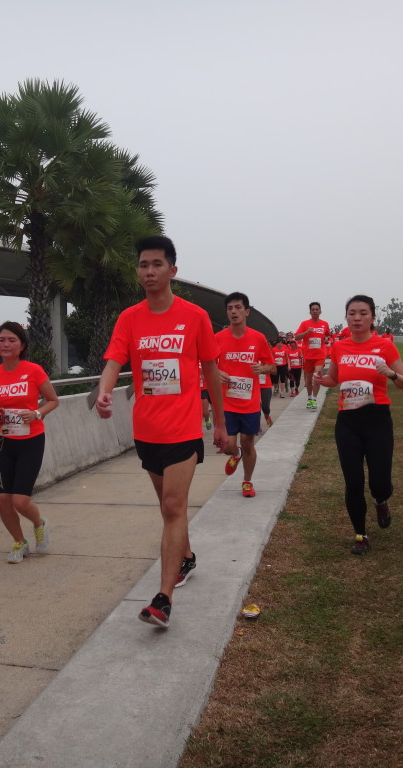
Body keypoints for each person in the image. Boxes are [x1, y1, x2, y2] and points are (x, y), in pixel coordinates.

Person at [95, 235, 227, 628]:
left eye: (156, 264)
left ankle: (162, 598)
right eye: (143, 265)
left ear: (173, 269)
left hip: (184, 428)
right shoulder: (130, 318)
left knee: (173, 507)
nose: (149, 272)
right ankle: (185, 556)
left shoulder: (195, 316)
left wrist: (219, 422)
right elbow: (114, 360)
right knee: (168, 507)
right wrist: (103, 393)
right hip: (147, 430)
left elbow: (212, 371)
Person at [317, 295, 403, 555]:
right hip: (348, 421)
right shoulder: (339, 347)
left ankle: (381, 500)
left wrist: (390, 374)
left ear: (372, 317)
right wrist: (321, 378)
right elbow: (333, 379)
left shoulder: (385, 347)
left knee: (380, 481)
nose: (357, 318)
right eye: (352, 313)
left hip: (377, 419)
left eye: (363, 313)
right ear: (346, 317)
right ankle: (360, 534)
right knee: (353, 480)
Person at [0, 321, 59, 563]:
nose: (6, 344)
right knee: (3, 499)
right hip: (3, 441)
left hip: (31, 440)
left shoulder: (33, 370)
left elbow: (53, 400)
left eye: (12, 340)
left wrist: (36, 413)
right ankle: (19, 542)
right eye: (2, 340)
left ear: (22, 345)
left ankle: (38, 522)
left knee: (20, 500)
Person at [216, 292, 275, 498]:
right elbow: (204, 365)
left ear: (246, 311)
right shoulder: (218, 339)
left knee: (248, 442)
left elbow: (273, 367)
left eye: (238, 307)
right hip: (227, 402)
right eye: (230, 308)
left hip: (249, 403)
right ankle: (236, 454)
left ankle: (247, 481)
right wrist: (216, 372)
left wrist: (263, 368)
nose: (234, 311)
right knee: (228, 446)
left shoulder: (258, 338)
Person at [294, 302, 331, 410]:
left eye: (317, 309)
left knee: (317, 376)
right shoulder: (305, 324)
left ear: (320, 311)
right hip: (308, 356)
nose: (315, 311)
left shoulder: (324, 324)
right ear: (310, 312)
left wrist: (326, 339)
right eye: (313, 309)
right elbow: (297, 338)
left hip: (320, 355)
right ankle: (309, 398)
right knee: (308, 381)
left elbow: (328, 334)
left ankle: (314, 400)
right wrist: (307, 332)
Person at [199, 361, 213, 431]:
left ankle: (207, 420)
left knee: (205, 412)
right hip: (192, 389)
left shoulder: (204, 361)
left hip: (203, 388)